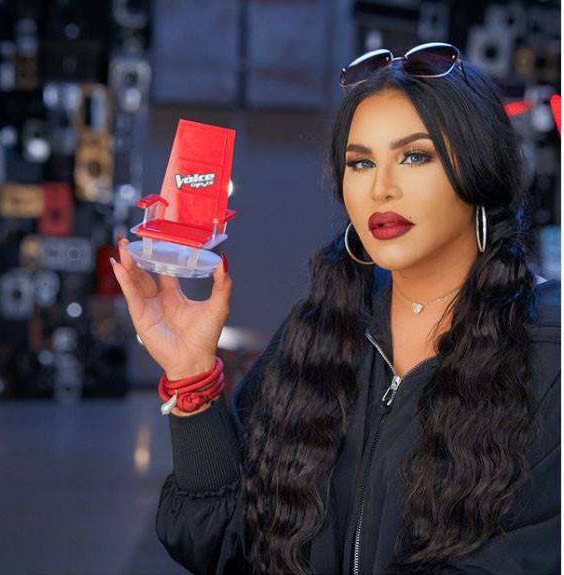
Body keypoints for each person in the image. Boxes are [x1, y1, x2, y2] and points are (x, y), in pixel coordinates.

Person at [111, 42, 560, 575]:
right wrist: (192, 379)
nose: (381, 189)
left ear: (479, 170)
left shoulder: (546, 349)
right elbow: (230, 543)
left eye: (415, 156)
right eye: (361, 163)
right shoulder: (323, 330)